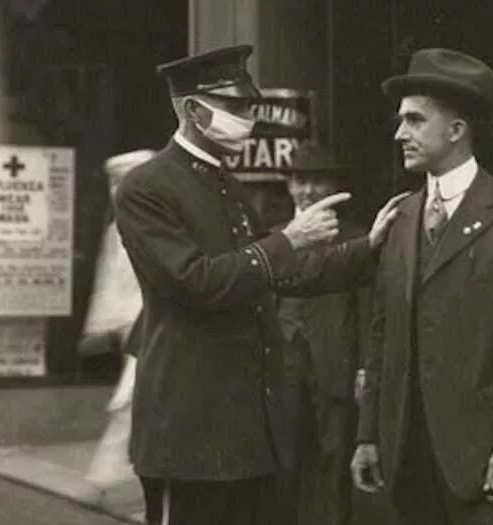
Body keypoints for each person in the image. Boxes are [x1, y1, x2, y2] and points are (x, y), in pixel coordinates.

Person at [113, 45, 405, 525]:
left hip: (249, 437)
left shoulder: (223, 185)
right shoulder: (147, 188)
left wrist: (366, 249)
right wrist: (288, 240)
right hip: (190, 439)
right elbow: (196, 281)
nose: (248, 119)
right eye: (237, 108)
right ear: (192, 110)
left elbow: (281, 275)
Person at [350, 48, 493, 525]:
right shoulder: (401, 216)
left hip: (486, 457)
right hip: (407, 457)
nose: (398, 133)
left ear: (456, 130)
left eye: (414, 120)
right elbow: (381, 337)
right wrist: (368, 435)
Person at [276, 140, 371, 525]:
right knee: (282, 467)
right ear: (289, 186)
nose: (309, 190)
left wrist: (365, 367)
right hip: (281, 368)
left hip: (334, 367)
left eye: (318, 181)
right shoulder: (274, 237)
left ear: (333, 187)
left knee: (334, 466)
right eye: (300, 181)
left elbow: (366, 310)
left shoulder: (356, 237)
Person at [83, 149, 154, 497]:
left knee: (134, 399)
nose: (117, 190)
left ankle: (105, 479)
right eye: (114, 182)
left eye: (124, 182)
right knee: (134, 399)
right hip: (134, 327)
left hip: (154, 325)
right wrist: (102, 324)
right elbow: (108, 279)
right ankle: (106, 479)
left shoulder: (157, 223)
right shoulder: (118, 229)